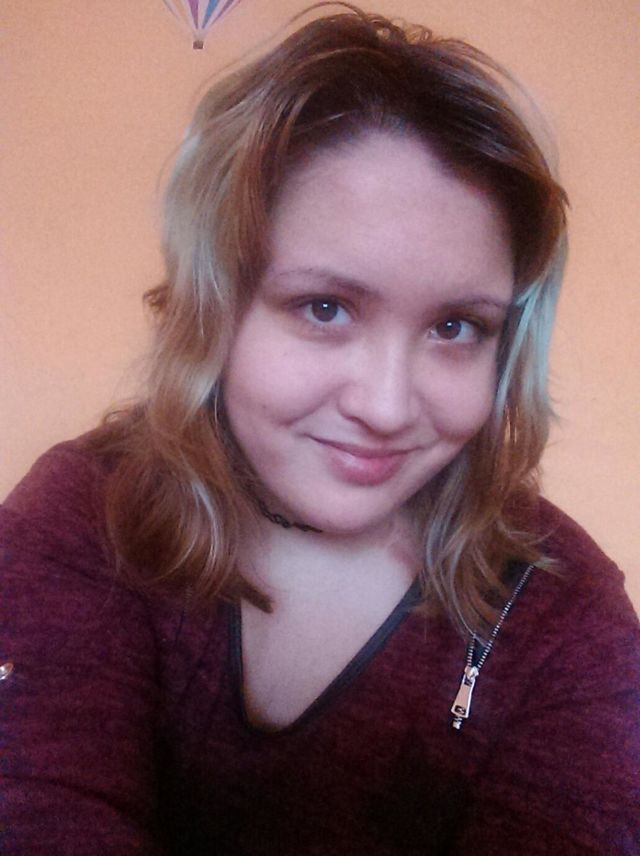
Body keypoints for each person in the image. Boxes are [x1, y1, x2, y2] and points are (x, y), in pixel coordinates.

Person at [1, 6, 638, 855]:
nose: (386, 406)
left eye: (456, 327)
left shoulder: (563, 618)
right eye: (325, 307)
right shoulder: (88, 515)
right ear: (213, 306)